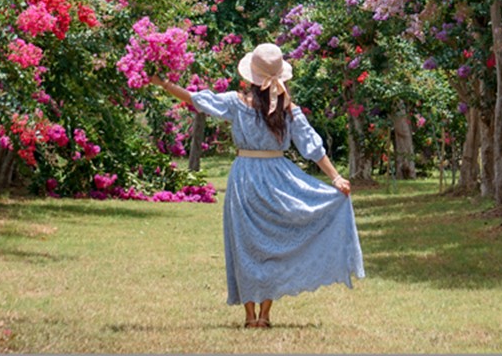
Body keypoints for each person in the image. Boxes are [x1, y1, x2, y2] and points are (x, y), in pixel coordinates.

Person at [148, 42, 365, 328]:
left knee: (246, 245)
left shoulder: (237, 103)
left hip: (245, 178)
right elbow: (312, 147)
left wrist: (161, 82)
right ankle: (264, 315)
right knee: (274, 243)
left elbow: (195, 99)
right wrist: (335, 177)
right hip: (278, 177)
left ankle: (251, 317)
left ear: (252, 76)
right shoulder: (288, 109)